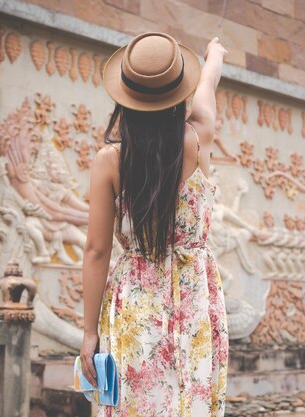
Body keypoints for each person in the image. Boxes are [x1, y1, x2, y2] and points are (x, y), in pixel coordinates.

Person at [80, 31, 229, 417]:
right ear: (178, 93)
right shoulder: (198, 138)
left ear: (125, 98)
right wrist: (214, 55)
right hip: (195, 301)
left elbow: (97, 251)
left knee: (132, 404)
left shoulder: (109, 161)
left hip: (134, 301)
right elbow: (208, 85)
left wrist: (89, 333)